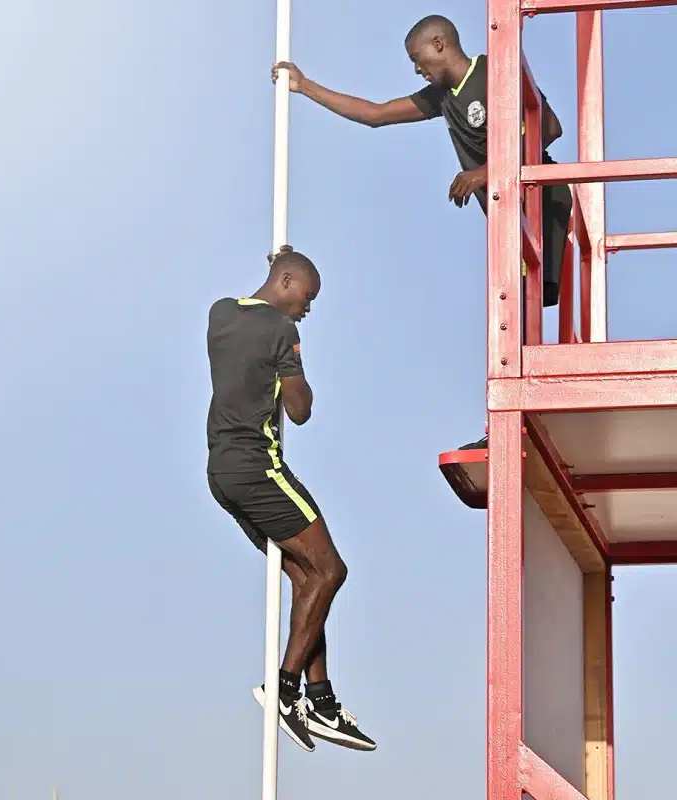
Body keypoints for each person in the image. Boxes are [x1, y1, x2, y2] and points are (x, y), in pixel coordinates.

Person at [273, 14, 572, 344]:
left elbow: (550, 128)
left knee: (527, 312)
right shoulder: (442, 96)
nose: (417, 69)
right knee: (517, 317)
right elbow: (377, 114)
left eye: (417, 59)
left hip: (543, 201)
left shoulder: (493, 70)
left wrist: (485, 173)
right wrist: (305, 86)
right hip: (512, 216)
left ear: (439, 44)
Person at [206, 246, 376, 752]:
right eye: (307, 296)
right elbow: (299, 410)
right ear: (285, 281)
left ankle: (320, 699)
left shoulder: (219, 312)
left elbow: (248, 325)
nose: (308, 307)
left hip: (221, 472)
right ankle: (284, 690)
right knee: (331, 571)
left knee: (307, 579)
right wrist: (295, 370)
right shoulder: (283, 332)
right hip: (260, 466)